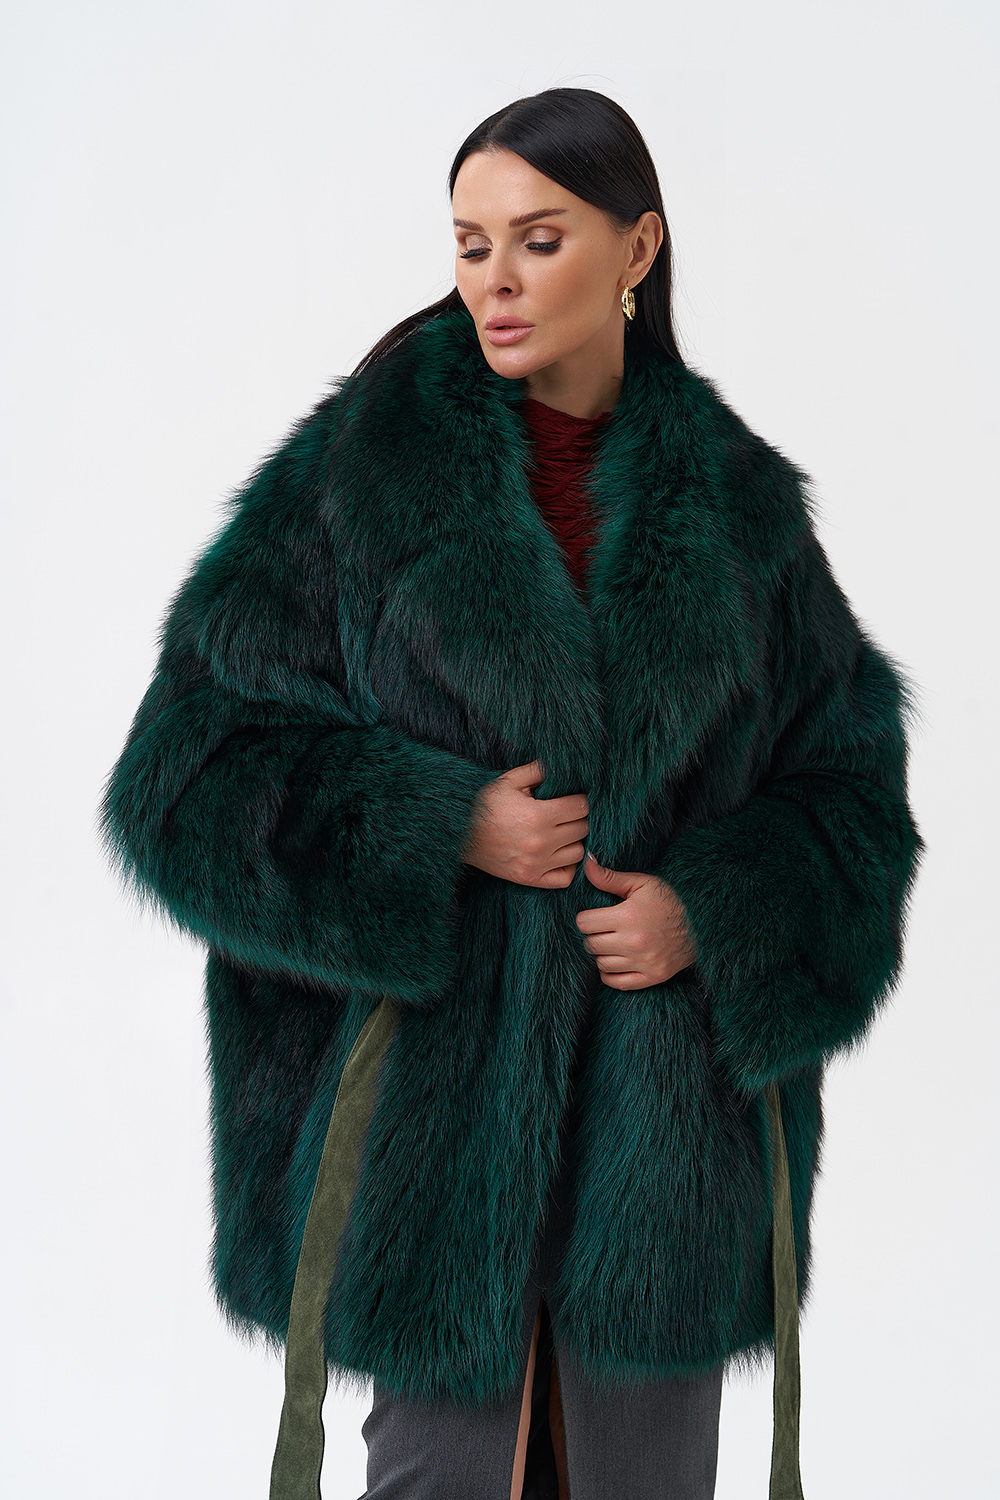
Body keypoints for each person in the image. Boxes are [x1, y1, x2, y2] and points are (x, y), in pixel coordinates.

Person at [101, 88, 923, 1500]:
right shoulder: (360, 481)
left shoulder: (743, 514)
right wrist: (437, 824)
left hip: (662, 1165)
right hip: (425, 1147)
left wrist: (709, 911)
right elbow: (186, 773)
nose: (497, 279)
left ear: (637, 249)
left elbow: (852, 806)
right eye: (472, 243)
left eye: (540, 239)